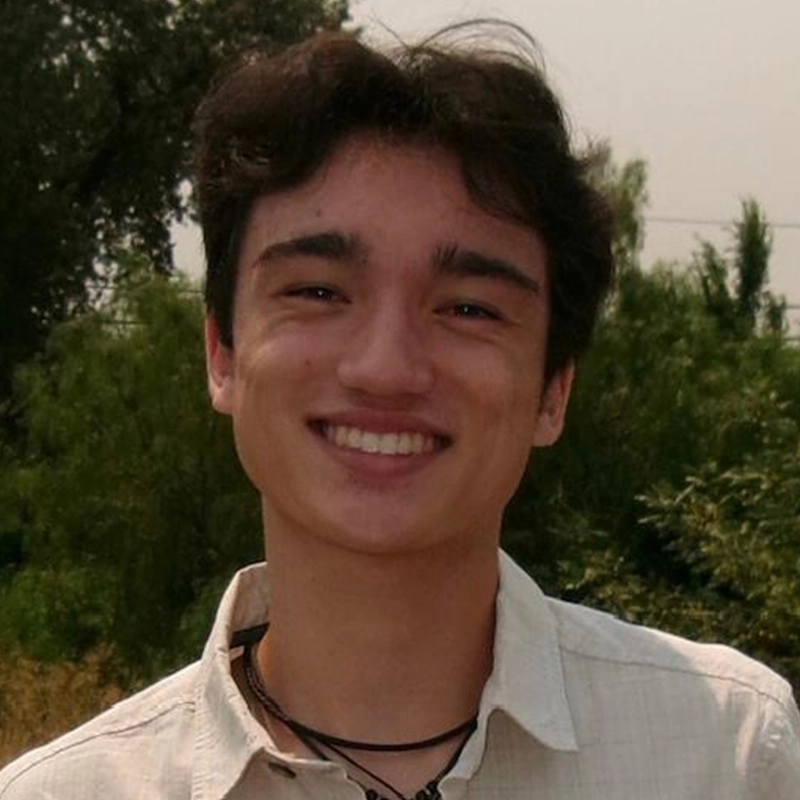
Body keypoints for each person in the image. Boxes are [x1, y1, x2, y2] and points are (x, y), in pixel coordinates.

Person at [2, 22, 799, 800]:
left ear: (554, 388)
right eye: (318, 291)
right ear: (223, 354)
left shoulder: (727, 750)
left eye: (469, 308)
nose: (385, 367)